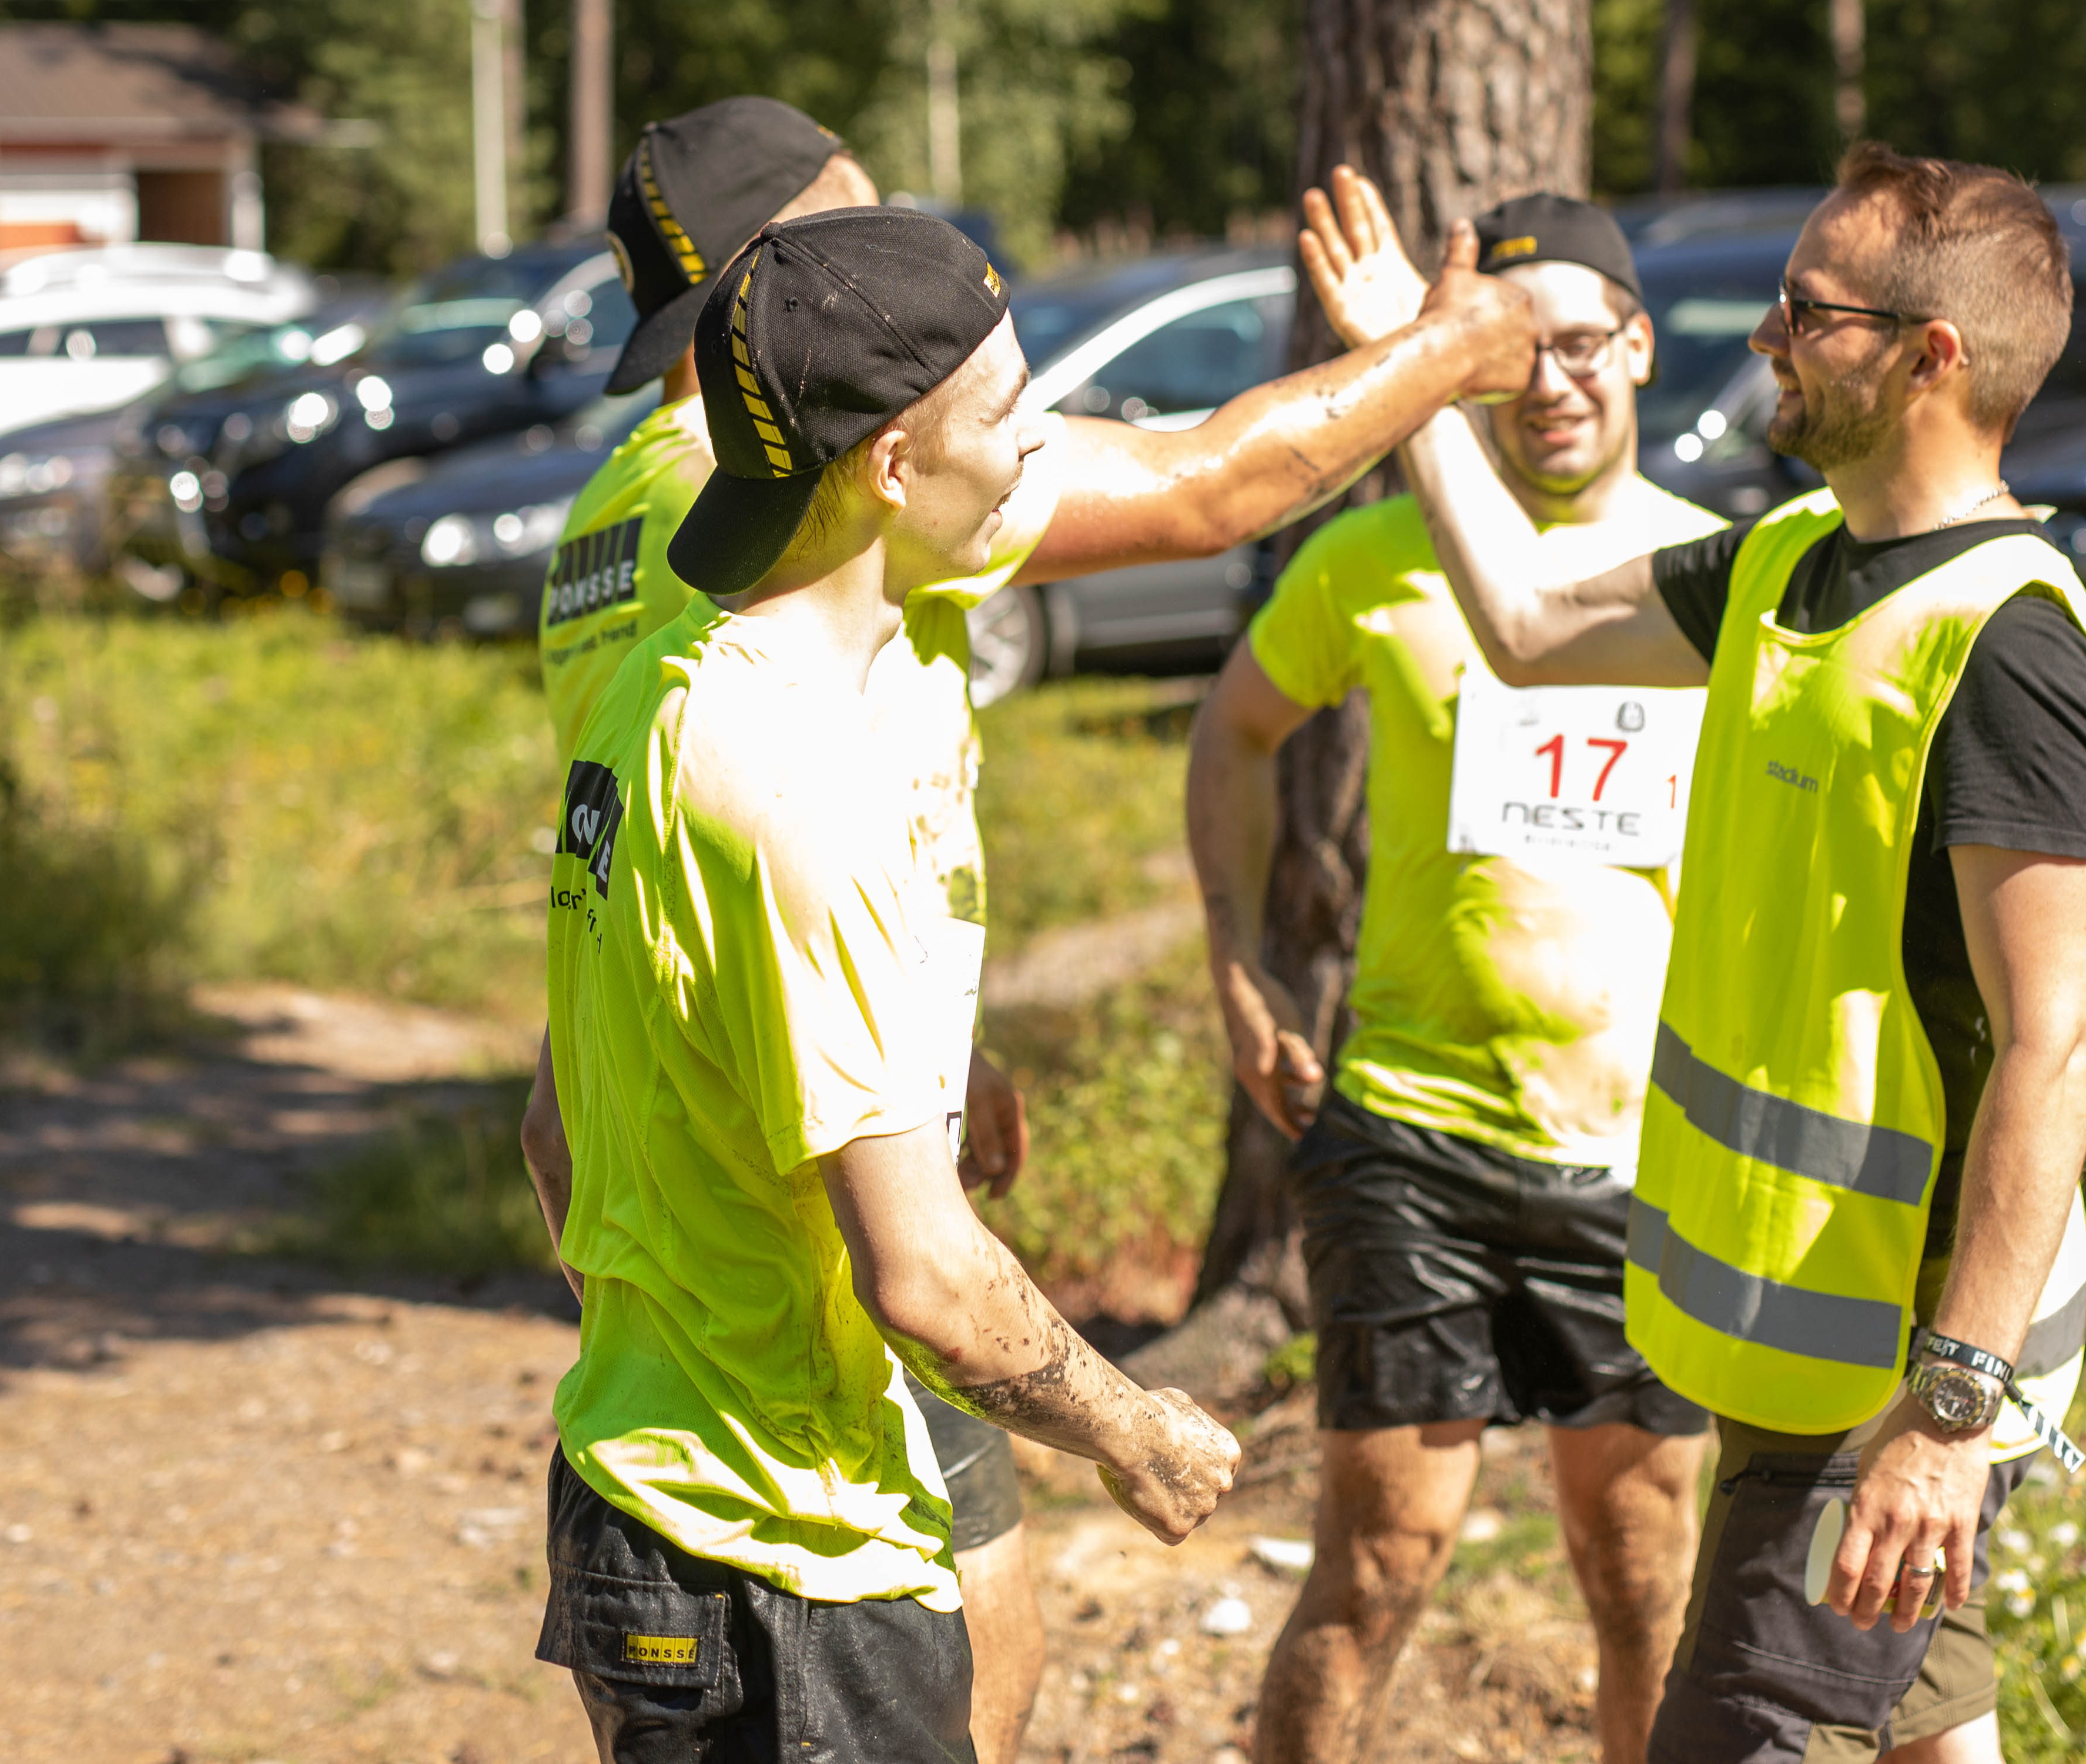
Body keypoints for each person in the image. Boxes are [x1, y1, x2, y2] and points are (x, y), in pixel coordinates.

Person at [519, 106, 1533, 1762]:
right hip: (790, 1439)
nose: (1034, 438)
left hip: (698, 1344)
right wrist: (1455, 346)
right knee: (970, 1668)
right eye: (1005, 412)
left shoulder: (645, 558)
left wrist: (889, 1051)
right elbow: (1220, 483)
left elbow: (618, 993)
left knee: (987, 1639)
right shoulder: (823, 557)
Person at [1318, 147, 2086, 1764]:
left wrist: (1951, 1414)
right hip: (1791, 1328)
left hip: (1895, 1369)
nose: (1763, 335)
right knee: (1924, 1724)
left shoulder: (2011, 645)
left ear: (1930, 355)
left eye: (1805, 309)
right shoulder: (1784, 564)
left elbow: (2061, 1046)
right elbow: (1529, 628)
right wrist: (1416, 375)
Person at [537, 208, 1243, 1762]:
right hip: (779, 1571)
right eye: (1005, 414)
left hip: (640, 1498)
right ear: (894, 469)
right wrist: (1134, 1431)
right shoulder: (802, 799)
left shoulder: (651, 693)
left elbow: (553, 1128)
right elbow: (928, 1280)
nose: (1038, 446)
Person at [1189, 190, 1721, 1764]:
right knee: (1377, 1563)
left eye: (1578, 346)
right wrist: (1237, 954)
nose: (1547, 384)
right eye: (1506, 357)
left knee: (1639, 1577)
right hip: (1413, 1133)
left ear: (1634, 343)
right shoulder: (1371, 557)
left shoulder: (1708, 569)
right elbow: (1233, 731)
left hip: (1647, 1158)